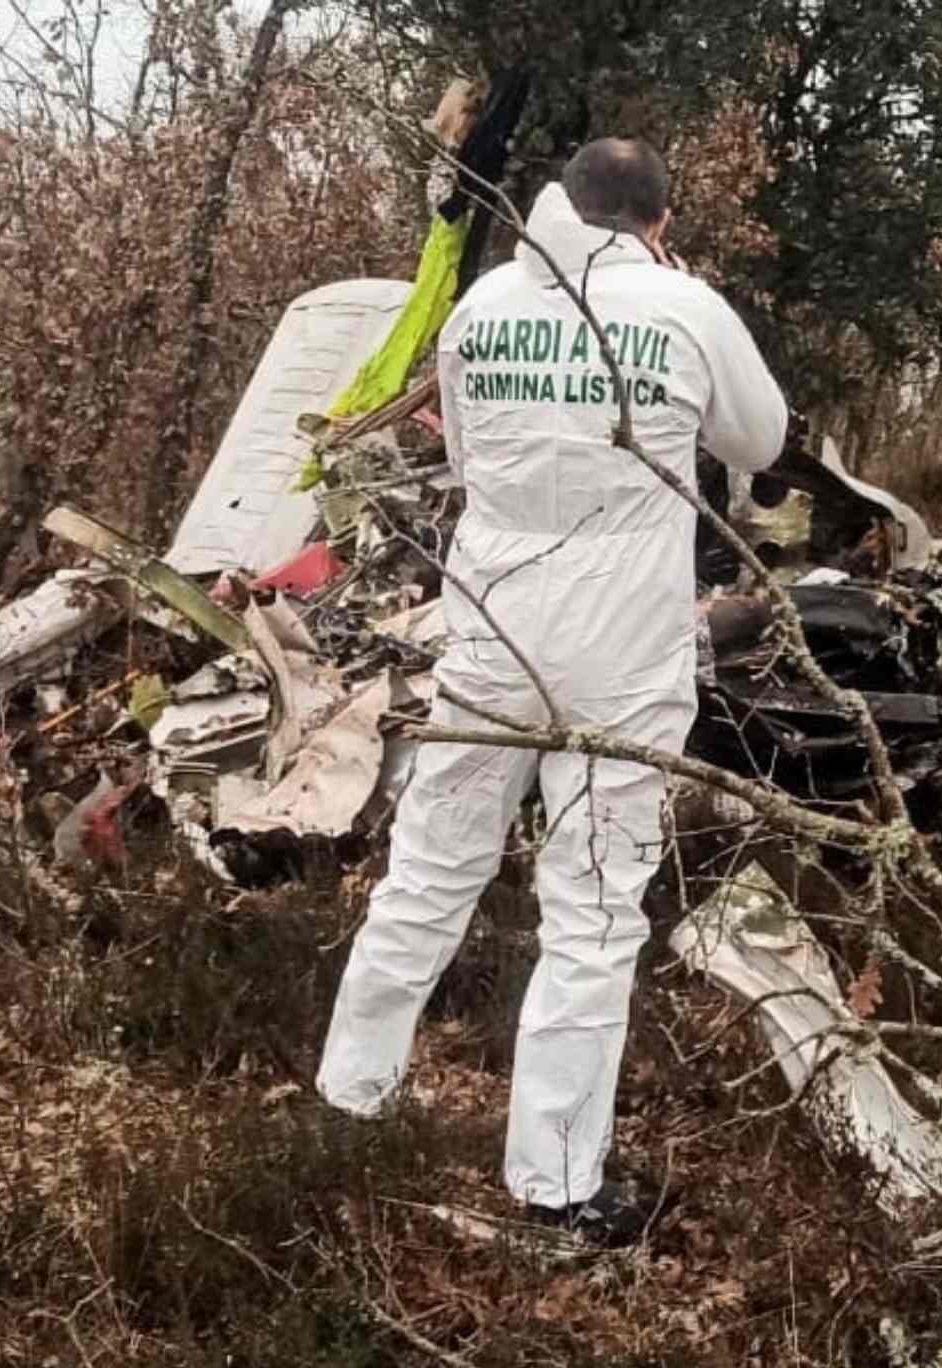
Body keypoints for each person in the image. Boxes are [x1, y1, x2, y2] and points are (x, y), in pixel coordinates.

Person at [315, 138, 791, 1245]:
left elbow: (472, 466)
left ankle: (350, 1099)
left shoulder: (482, 306)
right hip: (623, 649)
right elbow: (757, 443)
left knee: (427, 874)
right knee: (589, 913)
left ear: (558, 207)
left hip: (492, 629)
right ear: (657, 222)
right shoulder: (685, 308)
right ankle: (558, 1180)